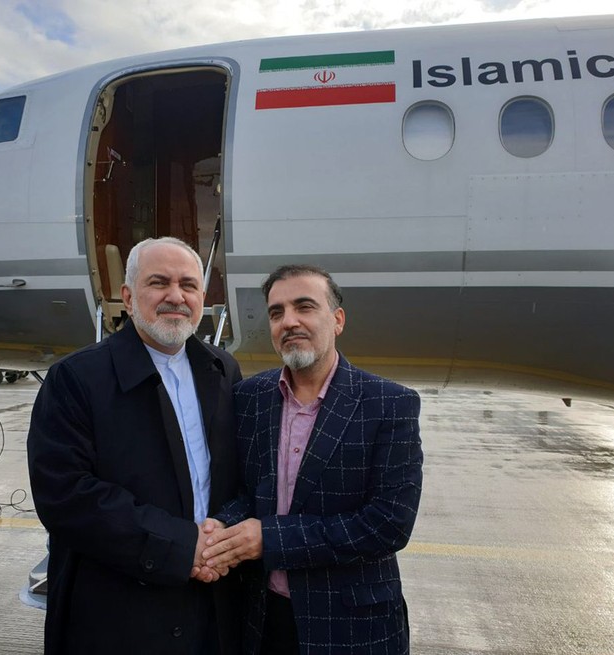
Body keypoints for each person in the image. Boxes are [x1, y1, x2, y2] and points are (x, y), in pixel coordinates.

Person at [27, 237, 242, 655]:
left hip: (211, 602)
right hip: (117, 612)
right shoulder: (76, 378)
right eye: (159, 283)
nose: (175, 297)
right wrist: (181, 547)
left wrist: (220, 541)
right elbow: (65, 495)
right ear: (127, 296)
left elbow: (235, 473)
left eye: (188, 285)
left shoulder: (222, 370)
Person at [202, 264, 424, 655]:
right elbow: (247, 493)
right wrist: (224, 528)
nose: (289, 321)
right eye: (276, 312)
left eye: (304, 307)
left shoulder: (389, 404)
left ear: (337, 320)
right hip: (262, 622)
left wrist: (269, 539)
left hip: (352, 627)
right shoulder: (249, 398)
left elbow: (388, 524)